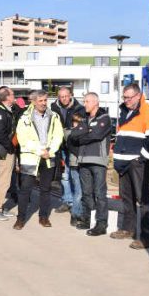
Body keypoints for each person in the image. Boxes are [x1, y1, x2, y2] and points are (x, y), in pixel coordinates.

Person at [111, 83, 149, 249]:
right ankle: (127, 229)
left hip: (137, 163)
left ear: (138, 96)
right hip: (123, 162)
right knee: (126, 198)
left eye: (129, 97)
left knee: (143, 199)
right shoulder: (125, 111)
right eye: (124, 97)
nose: (126, 100)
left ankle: (146, 237)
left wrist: (140, 159)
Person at [13, 90, 64, 230]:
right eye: (40, 100)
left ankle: (43, 217)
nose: (43, 103)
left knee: (45, 189)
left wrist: (50, 150)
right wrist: (39, 151)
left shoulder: (54, 116)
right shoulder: (24, 117)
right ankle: (21, 219)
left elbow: (58, 135)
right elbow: (23, 138)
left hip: (48, 157)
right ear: (34, 101)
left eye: (45, 100)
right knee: (25, 189)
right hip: (31, 157)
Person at [71, 93, 111, 236]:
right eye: (84, 101)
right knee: (86, 192)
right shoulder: (85, 119)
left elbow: (97, 135)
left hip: (98, 160)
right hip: (83, 160)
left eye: (87, 101)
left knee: (100, 193)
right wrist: (86, 132)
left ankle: (101, 224)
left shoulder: (104, 118)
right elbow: (73, 135)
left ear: (96, 102)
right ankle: (87, 219)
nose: (84, 104)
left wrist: (84, 134)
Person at [51, 87, 85, 215]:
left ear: (71, 95)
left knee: (75, 175)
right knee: (65, 176)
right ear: (58, 97)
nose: (64, 99)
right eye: (61, 96)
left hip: (74, 147)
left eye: (66, 96)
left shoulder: (79, 108)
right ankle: (67, 200)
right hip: (61, 147)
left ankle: (77, 204)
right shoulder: (54, 108)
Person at [0, 86, 18, 221]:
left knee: (4, 180)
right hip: (4, 151)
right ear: (7, 97)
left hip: (6, 150)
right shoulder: (0, 112)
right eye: (12, 94)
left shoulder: (7, 111)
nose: (14, 96)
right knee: (3, 181)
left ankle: (0, 207)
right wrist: (10, 147)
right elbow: (0, 134)